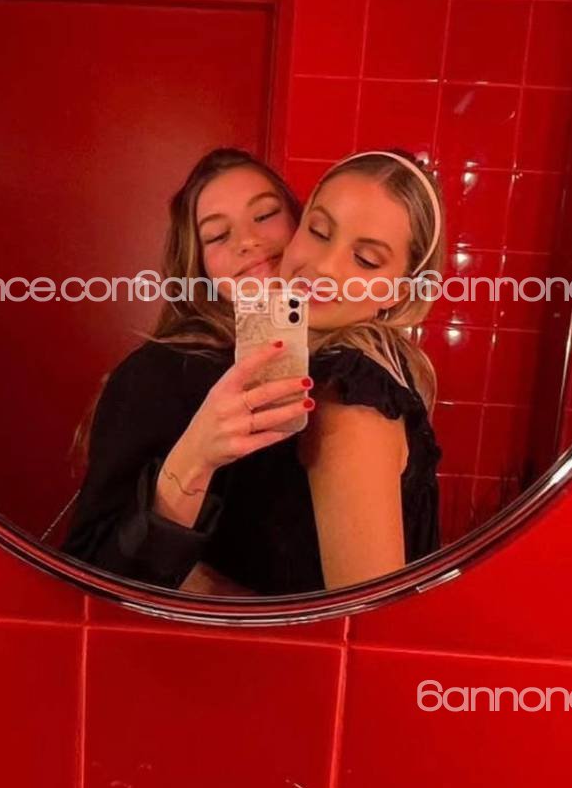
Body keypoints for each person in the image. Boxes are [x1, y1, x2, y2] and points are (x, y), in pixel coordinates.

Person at [64, 146, 445, 594]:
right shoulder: (163, 372)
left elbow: (358, 615)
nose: (247, 241)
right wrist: (193, 458)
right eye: (216, 235)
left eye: (264, 216)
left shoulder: (351, 386)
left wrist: (207, 588)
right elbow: (89, 576)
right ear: (197, 264)